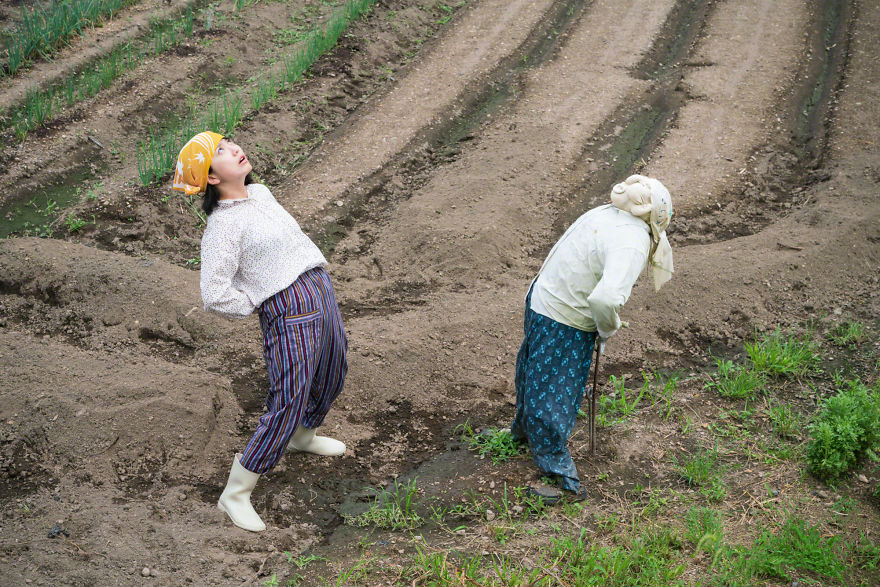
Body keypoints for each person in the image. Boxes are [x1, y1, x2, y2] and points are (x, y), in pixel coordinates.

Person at [173, 131, 348, 532]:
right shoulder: (222, 228)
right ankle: (235, 493)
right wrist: (262, 301)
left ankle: (305, 436)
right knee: (288, 397)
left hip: (319, 289)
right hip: (289, 309)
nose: (233, 149)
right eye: (220, 152)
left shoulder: (262, 193)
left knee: (333, 370)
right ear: (212, 178)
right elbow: (214, 294)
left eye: (229, 142)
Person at [510, 174, 674, 498]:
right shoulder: (634, 240)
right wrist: (608, 328)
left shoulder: (608, 213)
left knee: (532, 376)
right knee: (553, 397)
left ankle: (522, 434)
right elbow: (605, 300)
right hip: (562, 319)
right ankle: (561, 477)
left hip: (541, 298)